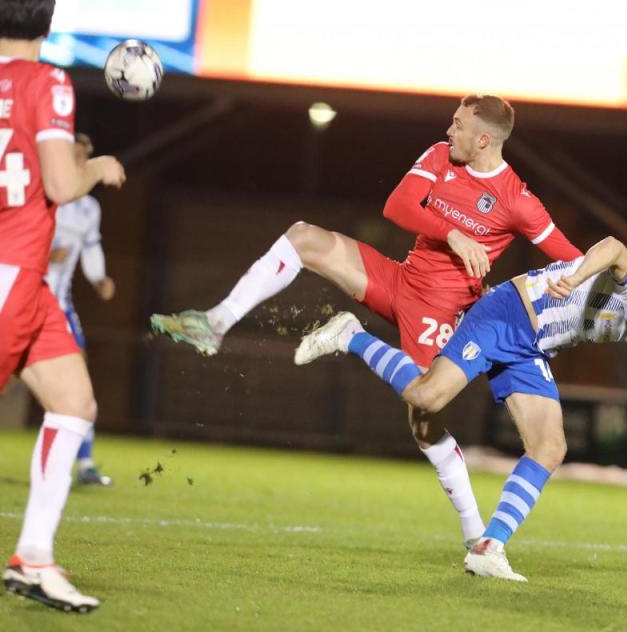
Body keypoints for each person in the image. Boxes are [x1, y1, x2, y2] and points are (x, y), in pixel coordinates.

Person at [150, 94, 582, 549]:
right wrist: (453, 232)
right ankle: (216, 322)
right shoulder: (440, 156)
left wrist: (575, 283)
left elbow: (573, 258)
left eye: (457, 125)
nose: (448, 130)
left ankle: (475, 533)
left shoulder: (517, 200)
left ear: (482, 139)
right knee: (304, 238)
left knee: (424, 418)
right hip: (399, 279)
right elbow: (397, 207)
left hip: (440, 313)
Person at [293, 236, 627, 581]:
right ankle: (350, 335)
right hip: (509, 316)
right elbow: (613, 247)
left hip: (530, 348)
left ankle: (488, 547)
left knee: (549, 448)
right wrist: (575, 278)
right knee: (426, 398)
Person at [1, 0, 126, 613]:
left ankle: (33, 557)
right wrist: (96, 166)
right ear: (47, 25)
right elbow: (58, 182)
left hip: (28, 282)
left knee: (73, 403)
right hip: (11, 271)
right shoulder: (46, 80)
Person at [45, 132, 115, 486]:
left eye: (84, 156)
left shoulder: (89, 206)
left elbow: (90, 248)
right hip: (16, 300)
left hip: (58, 307)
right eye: (73, 154)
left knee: (80, 381)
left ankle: (84, 463)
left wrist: (99, 278)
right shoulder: (41, 190)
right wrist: (44, 254)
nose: (79, 161)